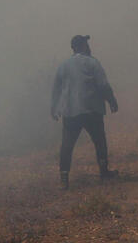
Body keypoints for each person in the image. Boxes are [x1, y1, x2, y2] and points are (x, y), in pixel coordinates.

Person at [50, 34, 119, 189]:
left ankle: (64, 178)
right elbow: (103, 85)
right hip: (91, 109)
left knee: (67, 145)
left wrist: (54, 107)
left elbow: (56, 89)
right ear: (81, 46)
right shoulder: (92, 63)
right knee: (100, 141)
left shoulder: (63, 66)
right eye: (86, 44)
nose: (89, 47)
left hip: (71, 111)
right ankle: (104, 171)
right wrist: (112, 100)